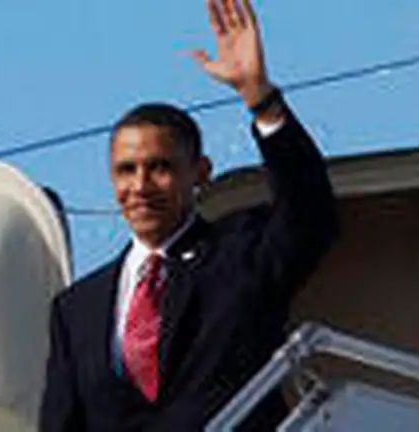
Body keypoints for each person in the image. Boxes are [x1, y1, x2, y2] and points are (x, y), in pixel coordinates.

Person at [39, 0, 339, 430]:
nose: (141, 185)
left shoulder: (242, 256)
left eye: (160, 168)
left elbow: (310, 213)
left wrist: (261, 99)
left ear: (200, 172)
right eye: (126, 170)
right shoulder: (76, 310)